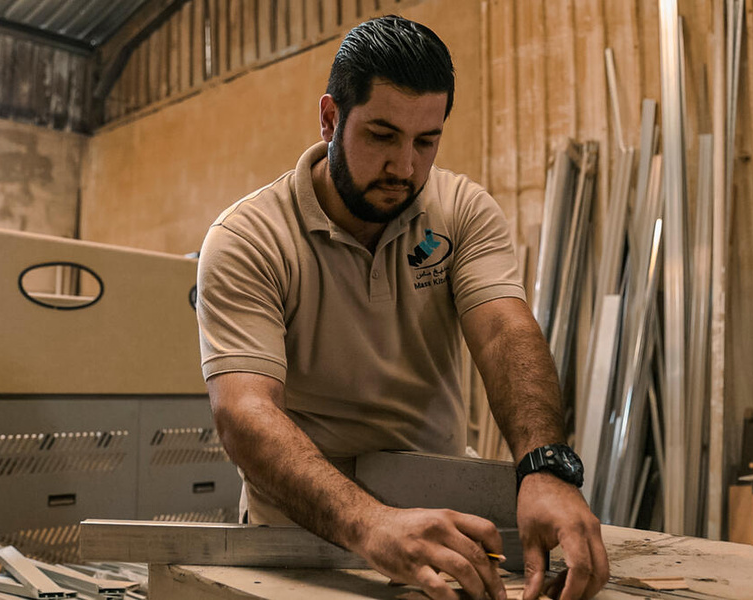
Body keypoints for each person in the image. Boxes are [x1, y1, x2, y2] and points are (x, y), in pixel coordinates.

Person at [196, 14, 609, 600]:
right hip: (298, 538)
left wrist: (544, 465)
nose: (405, 167)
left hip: (444, 530)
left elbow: (503, 335)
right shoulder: (248, 239)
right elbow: (244, 413)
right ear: (331, 118)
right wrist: (369, 523)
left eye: (426, 141)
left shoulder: (462, 210)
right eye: (382, 136)